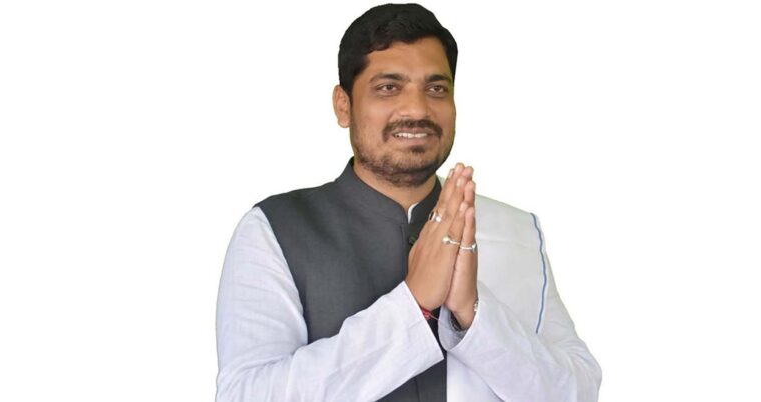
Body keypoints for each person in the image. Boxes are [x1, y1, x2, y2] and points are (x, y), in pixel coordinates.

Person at [215, 3, 601, 401]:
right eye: (388, 87)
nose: (417, 109)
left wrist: (474, 316)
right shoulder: (276, 230)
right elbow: (246, 395)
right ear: (344, 105)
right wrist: (413, 306)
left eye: (436, 89)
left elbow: (576, 391)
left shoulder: (515, 232)